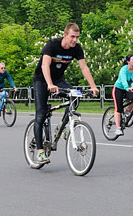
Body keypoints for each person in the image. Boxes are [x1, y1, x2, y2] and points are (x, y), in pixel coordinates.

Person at [33, 23, 99, 165]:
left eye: (77, 37)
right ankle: (39, 152)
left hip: (58, 80)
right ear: (65, 35)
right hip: (42, 80)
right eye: (72, 37)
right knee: (41, 114)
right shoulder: (52, 45)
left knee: (75, 96)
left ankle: (61, 127)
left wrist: (93, 86)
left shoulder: (76, 49)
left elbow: (84, 67)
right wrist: (50, 84)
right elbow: (45, 65)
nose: (75, 40)